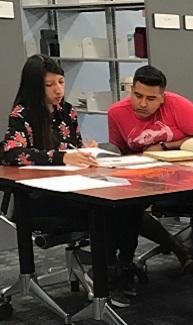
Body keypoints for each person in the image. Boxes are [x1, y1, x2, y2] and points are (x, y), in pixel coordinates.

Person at [3, 54, 141, 307]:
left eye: (61, 82)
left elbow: (73, 150)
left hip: (76, 187)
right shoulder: (22, 114)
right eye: (49, 85)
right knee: (108, 211)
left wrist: (85, 151)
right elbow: (13, 153)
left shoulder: (67, 111)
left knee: (130, 203)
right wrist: (63, 156)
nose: (58, 90)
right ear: (35, 87)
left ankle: (119, 267)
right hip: (42, 197)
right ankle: (102, 273)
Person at [107, 65, 193, 272]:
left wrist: (165, 146)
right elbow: (118, 153)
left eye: (151, 99)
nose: (142, 103)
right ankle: (129, 265)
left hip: (186, 177)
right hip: (144, 179)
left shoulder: (179, 106)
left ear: (162, 97)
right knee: (124, 207)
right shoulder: (116, 113)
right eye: (137, 95)